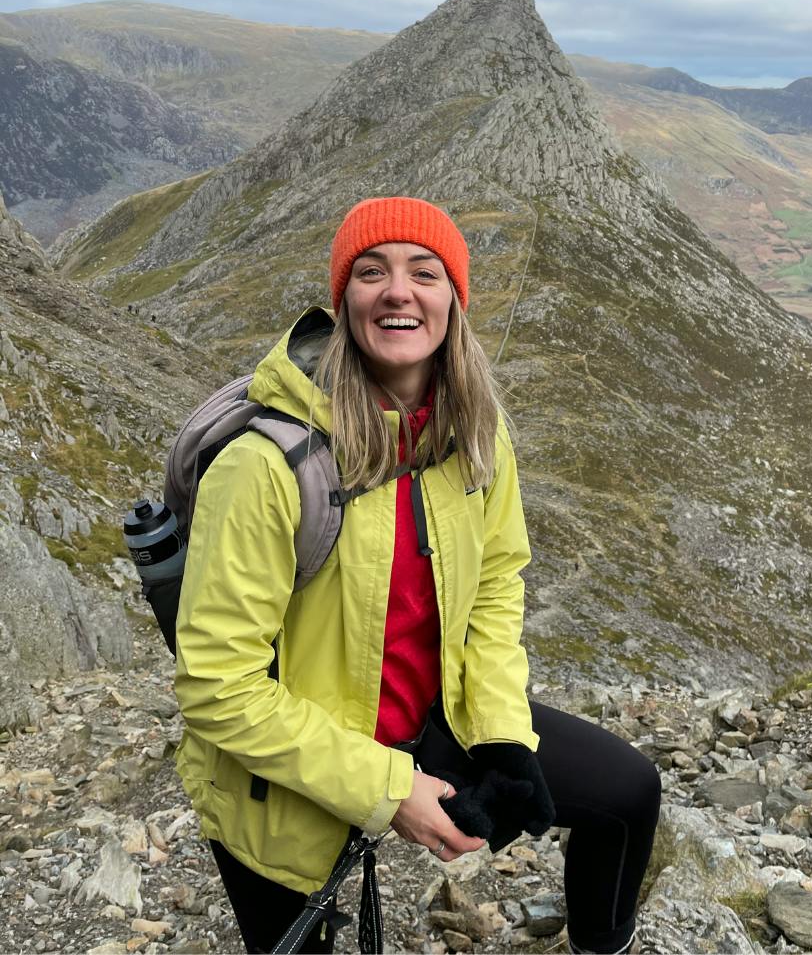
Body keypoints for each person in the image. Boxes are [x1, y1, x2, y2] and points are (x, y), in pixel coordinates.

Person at [173, 197, 661, 954]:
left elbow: (497, 583)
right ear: (346, 303)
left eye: (424, 273)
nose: (398, 290)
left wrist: (501, 737)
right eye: (372, 272)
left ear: (452, 302)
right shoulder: (266, 467)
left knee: (628, 794)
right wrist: (389, 790)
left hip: (428, 716)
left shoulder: (474, 437)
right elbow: (217, 687)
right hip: (287, 763)